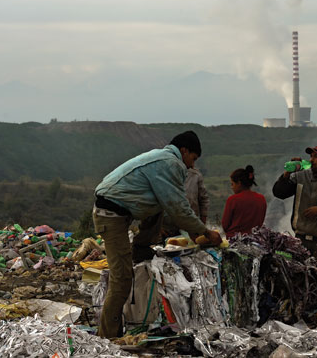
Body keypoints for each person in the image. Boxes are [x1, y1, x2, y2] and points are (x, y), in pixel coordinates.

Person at [92, 130, 222, 338]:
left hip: (119, 212)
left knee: (159, 205)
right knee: (122, 279)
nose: (192, 165)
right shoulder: (171, 164)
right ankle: (108, 336)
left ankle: (142, 247)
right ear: (184, 151)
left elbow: (171, 205)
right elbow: (179, 208)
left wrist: (192, 229)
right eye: (193, 158)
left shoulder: (162, 158)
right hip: (111, 216)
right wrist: (205, 232)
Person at [221, 165, 267, 238]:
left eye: (232, 184)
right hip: (255, 240)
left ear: (239, 183)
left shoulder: (233, 200)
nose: (232, 187)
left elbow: (225, 225)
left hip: (234, 240)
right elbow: (260, 222)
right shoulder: (261, 199)